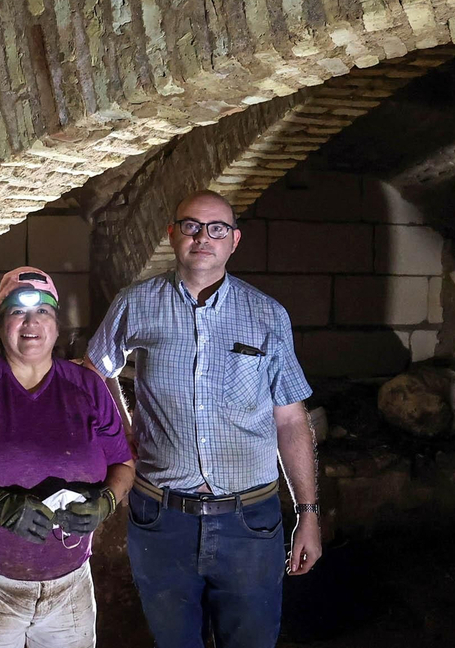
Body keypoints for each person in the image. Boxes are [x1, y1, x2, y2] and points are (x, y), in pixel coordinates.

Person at [86, 190, 321, 648]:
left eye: (216, 229)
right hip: (162, 519)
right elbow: (95, 372)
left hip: (249, 522)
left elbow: (291, 419)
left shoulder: (267, 315)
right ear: (172, 235)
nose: (203, 237)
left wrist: (308, 513)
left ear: (234, 241)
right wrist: (125, 432)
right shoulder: (137, 303)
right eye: (191, 226)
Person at [0, 267, 134, 648]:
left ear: (57, 327)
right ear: (0, 323)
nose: (31, 322)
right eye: (17, 312)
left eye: (43, 312)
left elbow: (123, 464)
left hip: (70, 585)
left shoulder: (87, 387)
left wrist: (106, 501)